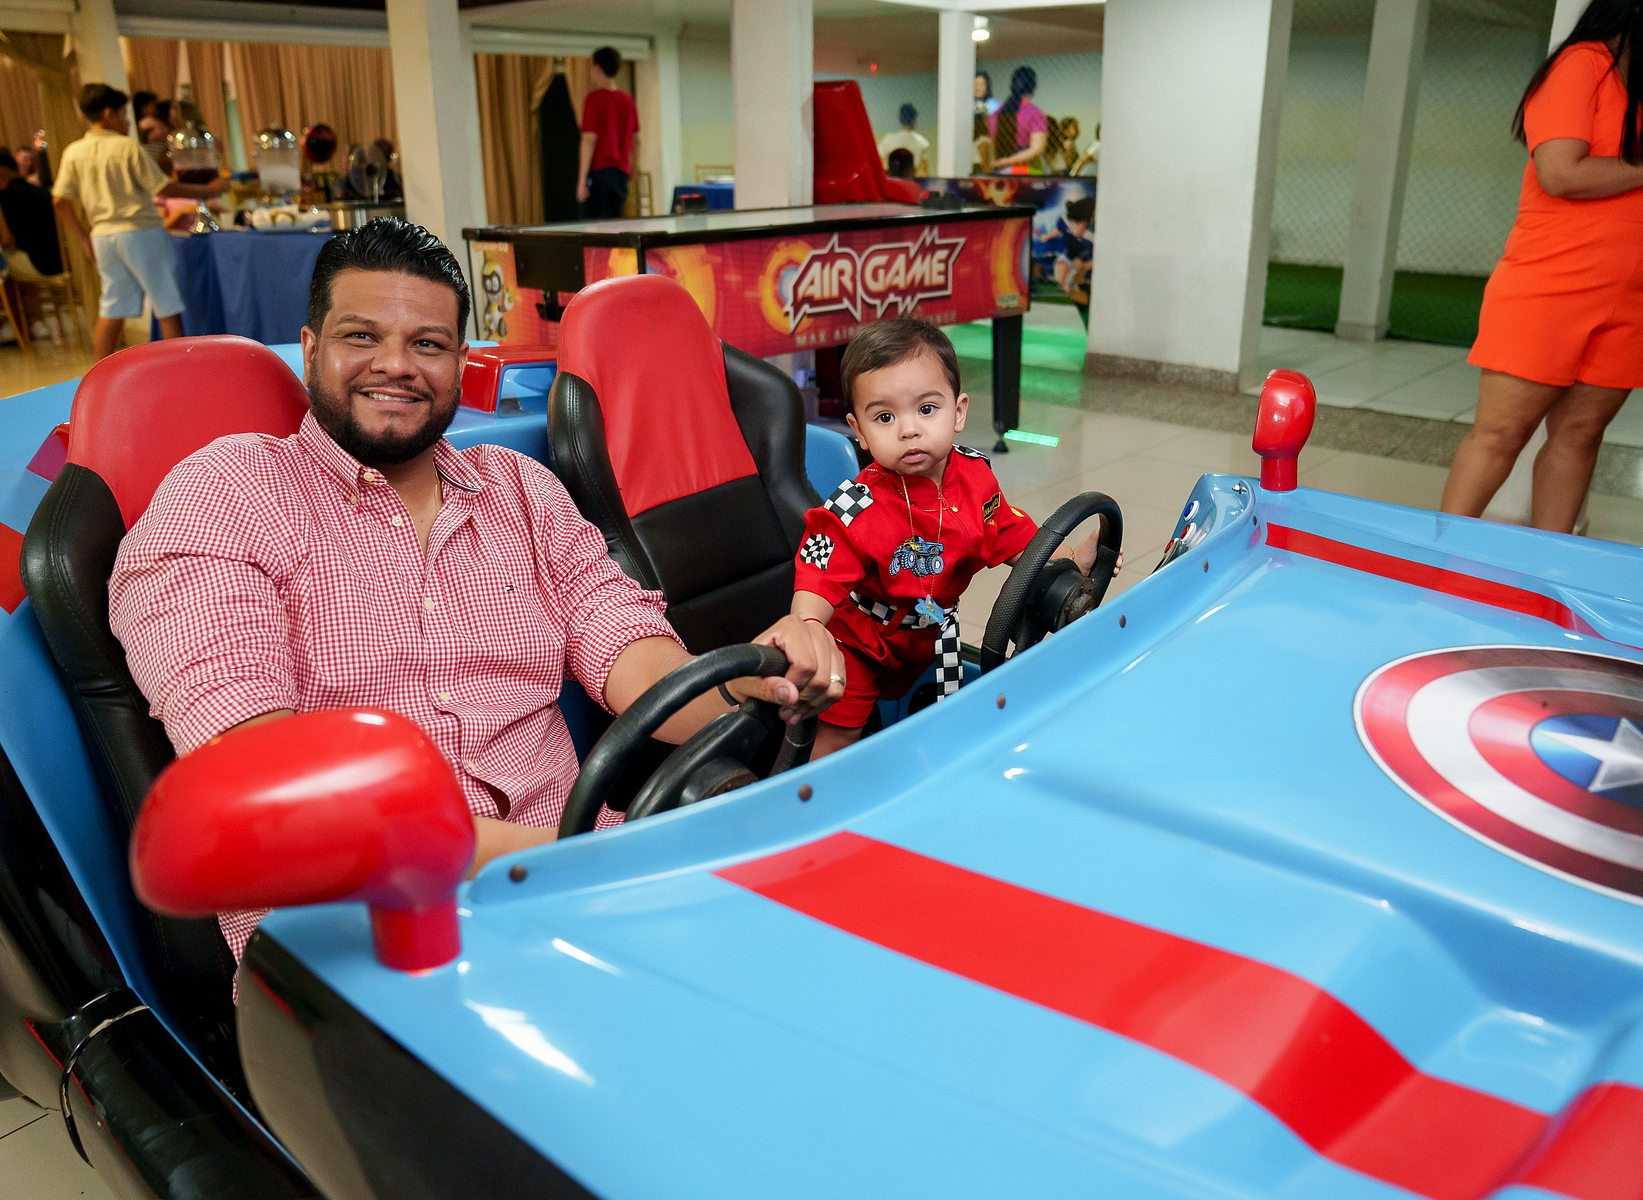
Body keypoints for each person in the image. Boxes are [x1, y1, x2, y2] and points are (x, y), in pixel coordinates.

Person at [108, 218, 843, 964]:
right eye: (361, 336)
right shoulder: (227, 493)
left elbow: (637, 659)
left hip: (587, 885)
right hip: (367, 938)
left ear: (461, 362)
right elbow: (274, 790)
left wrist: (766, 682)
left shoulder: (519, 490)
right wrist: (582, 863)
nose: (396, 366)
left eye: (427, 344)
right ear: (310, 349)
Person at [791, 318, 1098, 760]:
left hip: (927, 632)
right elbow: (818, 568)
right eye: (884, 417)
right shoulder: (855, 506)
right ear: (859, 431)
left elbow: (1010, 533)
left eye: (926, 409)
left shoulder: (975, 476)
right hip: (857, 644)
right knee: (839, 737)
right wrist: (807, 625)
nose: (908, 429)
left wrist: (1067, 559)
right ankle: (815, 794)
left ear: (958, 411)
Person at [1441, 0, 1643, 532]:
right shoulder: (1580, 65)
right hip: (1551, 283)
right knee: (1501, 435)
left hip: (1638, 291)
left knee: (1581, 434)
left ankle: (1551, 566)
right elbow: (1561, 174)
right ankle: (1436, 564)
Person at [51, 83, 226, 361]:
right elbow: (163, 188)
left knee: (112, 306)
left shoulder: (74, 151)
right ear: (108, 114)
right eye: (124, 115)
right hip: (140, 232)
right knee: (166, 302)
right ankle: (179, 368)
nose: (127, 123)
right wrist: (209, 190)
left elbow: (60, 200)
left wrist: (83, 237)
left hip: (102, 235)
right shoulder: (126, 147)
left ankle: (97, 373)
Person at [576, 46, 640, 219]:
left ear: (597, 68)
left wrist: (582, 179)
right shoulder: (628, 101)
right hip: (620, 175)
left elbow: (589, 139)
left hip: (599, 174)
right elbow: (635, 141)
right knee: (614, 224)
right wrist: (631, 170)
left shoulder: (594, 99)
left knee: (593, 226)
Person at [0, 149, 63, 280]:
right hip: (62, 261)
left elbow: (7, 242)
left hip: (40, 266)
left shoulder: (6, 198)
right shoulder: (40, 192)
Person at [990, 66, 1049, 174]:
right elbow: (1036, 149)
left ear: (1012, 86)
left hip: (998, 172)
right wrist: (1008, 161)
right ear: (1033, 87)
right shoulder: (1035, 114)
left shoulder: (995, 115)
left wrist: (999, 163)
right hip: (1026, 173)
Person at [877, 103, 930, 174]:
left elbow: (880, 166)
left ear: (900, 118)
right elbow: (923, 171)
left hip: (890, 179)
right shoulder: (922, 142)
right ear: (915, 120)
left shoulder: (886, 140)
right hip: (911, 179)